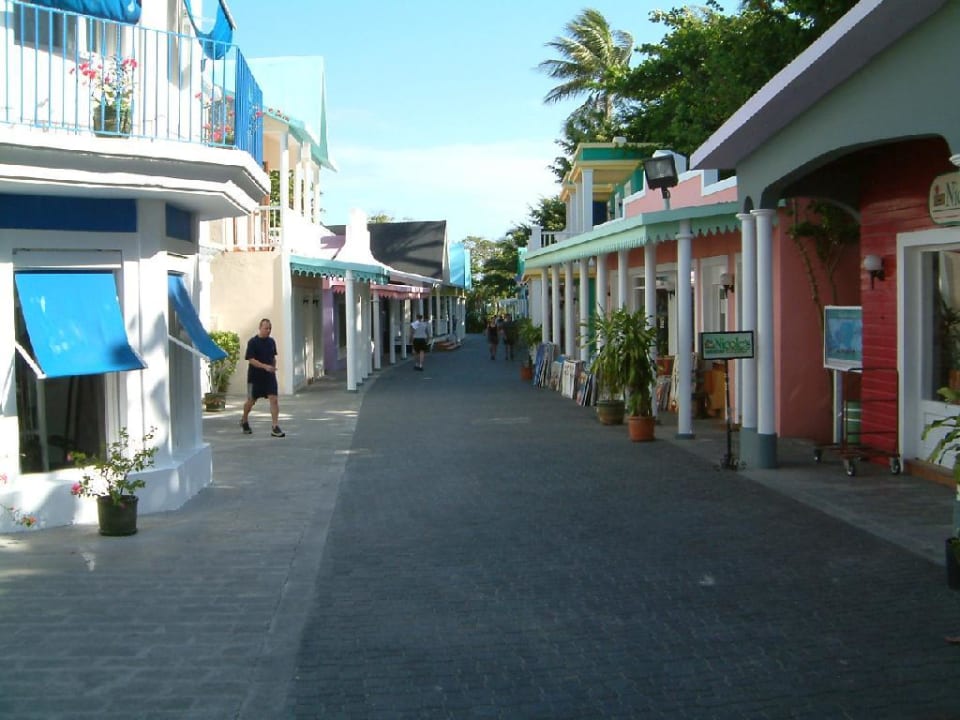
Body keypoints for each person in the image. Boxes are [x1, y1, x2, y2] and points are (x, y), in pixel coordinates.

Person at [240, 318, 284, 437]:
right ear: (260, 328)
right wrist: (265, 366)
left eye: (270, 328)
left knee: (274, 399)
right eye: (266, 328)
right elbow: (251, 359)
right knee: (251, 401)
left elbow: (273, 357)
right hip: (254, 378)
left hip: (269, 377)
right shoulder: (252, 342)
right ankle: (244, 420)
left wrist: (273, 367)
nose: (268, 330)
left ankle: (275, 426)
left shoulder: (271, 342)